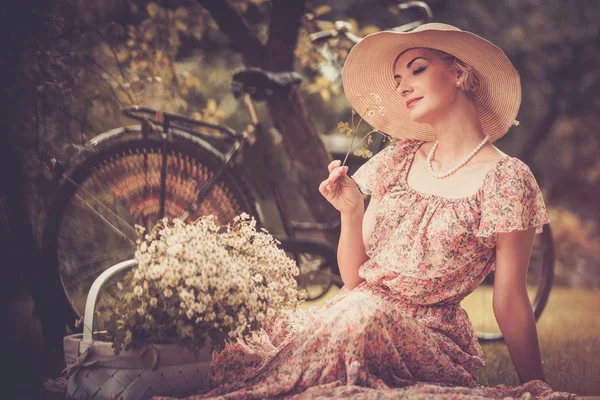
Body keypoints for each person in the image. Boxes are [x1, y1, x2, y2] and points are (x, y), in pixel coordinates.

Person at [156, 23, 576, 399]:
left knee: (363, 315)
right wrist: (351, 214)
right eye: (398, 80)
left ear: (460, 72)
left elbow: (509, 299)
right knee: (257, 330)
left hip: (425, 336)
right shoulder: (399, 159)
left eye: (416, 69)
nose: (404, 86)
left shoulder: (507, 178)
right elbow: (355, 280)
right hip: (353, 312)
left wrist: (535, 388)